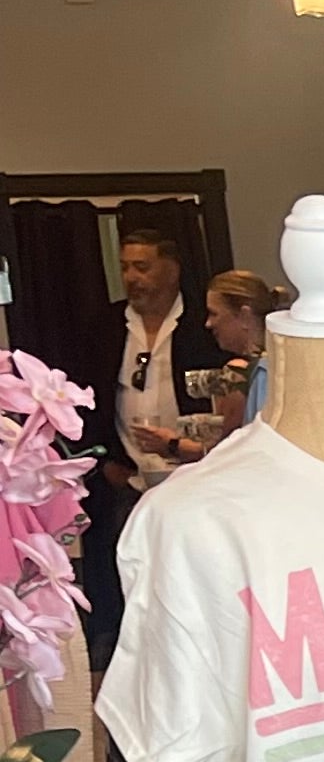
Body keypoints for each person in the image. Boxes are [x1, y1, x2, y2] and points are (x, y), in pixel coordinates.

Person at [75, 215, 221, 659]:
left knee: (190, 567)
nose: (133, 277)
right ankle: (124, 647)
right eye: (126, 267)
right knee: (123, 564)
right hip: (128, 475)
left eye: (143, 266)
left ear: (171, 270)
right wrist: (106, 461)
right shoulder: (106, 324)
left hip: (193, 469)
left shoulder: (202, 323)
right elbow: (88, 398)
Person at [201, 269, 279, 440]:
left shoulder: (258, 373)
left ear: (244, 316)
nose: (208, 323)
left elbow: (255, 443)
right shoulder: (277, 361)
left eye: (214, 314)